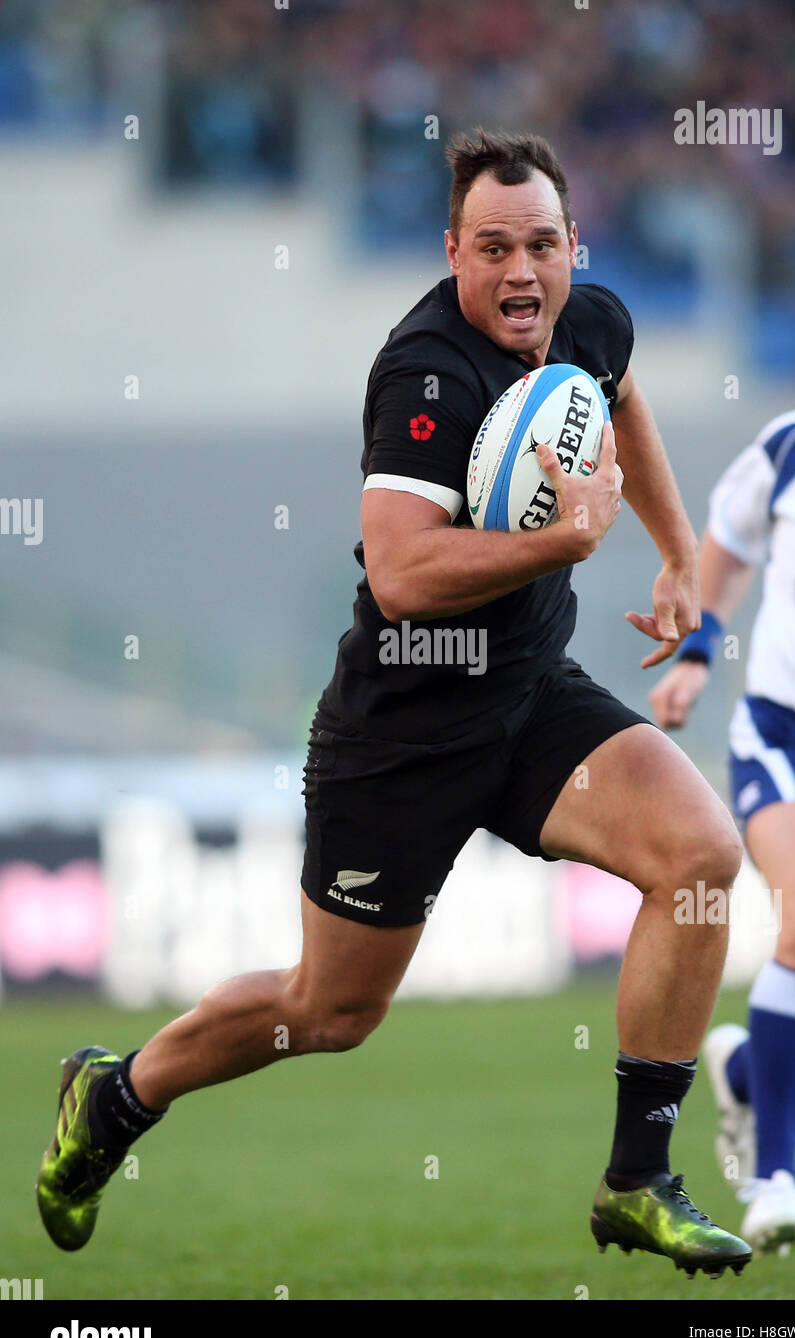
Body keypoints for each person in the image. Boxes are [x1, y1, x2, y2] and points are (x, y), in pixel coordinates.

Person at [37, 129, 750, 1279]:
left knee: (699, 856)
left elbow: (622, 401)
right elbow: (403, 572)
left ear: (574, 246)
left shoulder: (590, 319)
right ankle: (115, 1097)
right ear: (451, 253)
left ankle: (636, 1181)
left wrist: (674, 553)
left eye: (540, 247)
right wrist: (566, 537)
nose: (520, 275)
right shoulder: (423, 373)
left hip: (527, 698)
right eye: (492, 250)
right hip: (400, 735)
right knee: (328, 1012)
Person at [650, 280, 795, 1253]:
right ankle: (772, 1177)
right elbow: (726, 546)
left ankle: (740, 1079)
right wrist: (697, 650)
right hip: (794, 737)